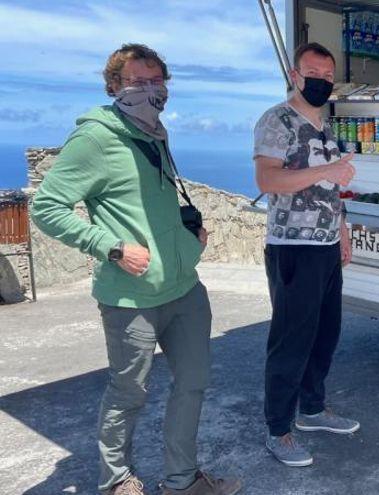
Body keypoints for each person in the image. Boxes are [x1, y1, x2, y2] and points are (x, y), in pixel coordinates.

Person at [31, 44, 241, 495]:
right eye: (137, 82)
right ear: (113, 87)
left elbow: (155, 204)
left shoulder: (153, 132)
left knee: (193, 386)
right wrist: (109, 246)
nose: (149, 90)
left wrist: (188, 240)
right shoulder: (96, 138)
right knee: (128, 394)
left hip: (184, 288)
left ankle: (182, 482)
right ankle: (115, 482)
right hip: (131, 296)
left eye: (156, 81)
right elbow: (46, 207)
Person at [253, 42, 358, 467]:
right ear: (295, 75)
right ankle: (279, 430)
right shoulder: (276, 121)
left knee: (325, 334)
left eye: (328, 76)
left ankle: (312, 410)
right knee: (290, 342)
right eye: (313, 72)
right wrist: (327, 170)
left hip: (326, 247)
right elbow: (267, 179)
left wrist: (343, 230)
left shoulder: (323, 124)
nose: (321, 81)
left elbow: (330, 190)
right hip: (292, 249)